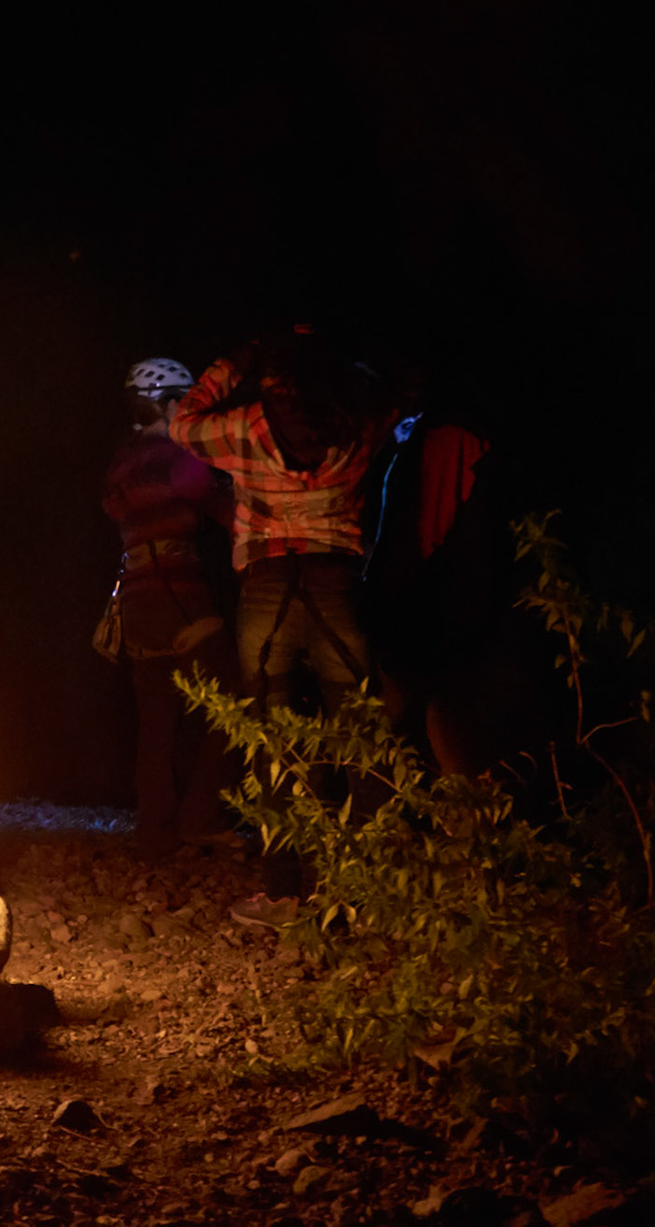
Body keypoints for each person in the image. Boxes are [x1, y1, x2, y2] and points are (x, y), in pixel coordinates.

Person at [167, 327, 397, 928]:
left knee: (274, 743)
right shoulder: (356, 418)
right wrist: (335, 362)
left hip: (268, 585)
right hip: (337, 583)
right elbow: (396, 397)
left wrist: (234, 360)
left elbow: (183, 422)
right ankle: (372, 890)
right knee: (358, 738)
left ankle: (284, 894)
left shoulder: (246, 423)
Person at [100, 357, 240, 855]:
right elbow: (226, 510)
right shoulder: (175, 459)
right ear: (172, 403)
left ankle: (155, 831)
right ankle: (201, 816)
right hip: (179, 593)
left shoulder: (121, 462)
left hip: (136, 598)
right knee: (233, 704)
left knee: (156, 722)